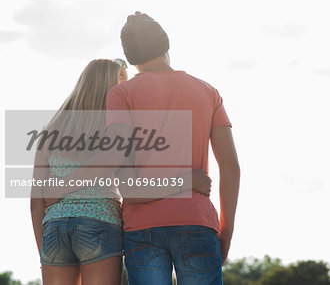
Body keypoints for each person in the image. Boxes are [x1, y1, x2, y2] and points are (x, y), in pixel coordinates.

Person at [31, 59, 212, 285]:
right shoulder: (117, 126)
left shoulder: (51, 130)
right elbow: (131, 186)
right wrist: (186, 181)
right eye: (123, 80)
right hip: (100, 223)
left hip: (55, 229)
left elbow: (36, 201)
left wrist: (45, 253)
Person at [110, 11, 241, 284]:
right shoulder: (208, 92)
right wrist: (225, 232)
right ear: (166, 44)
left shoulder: (121, 95)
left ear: (131, 57)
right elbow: (230, 168)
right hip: (197, 223)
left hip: (142, 230)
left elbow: (129, 190)